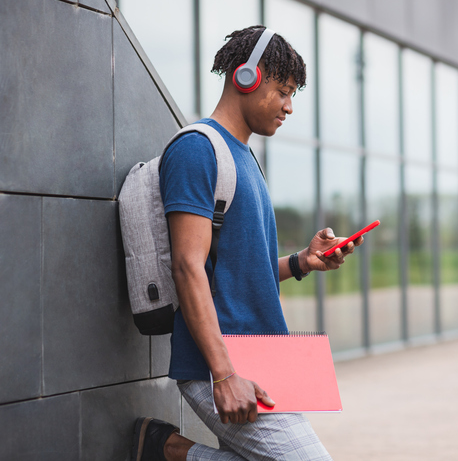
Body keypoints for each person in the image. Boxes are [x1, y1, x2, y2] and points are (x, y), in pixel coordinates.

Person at [131, 25, 362, 461]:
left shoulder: (243, 158)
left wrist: (303, 262)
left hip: (263, 358)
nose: (290, 107)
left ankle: (169, 452)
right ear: (246, 77)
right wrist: (223, 374)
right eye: (284, 91)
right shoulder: (199, 150)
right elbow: (187, 267)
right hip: (220, 363)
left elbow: (237, 270)